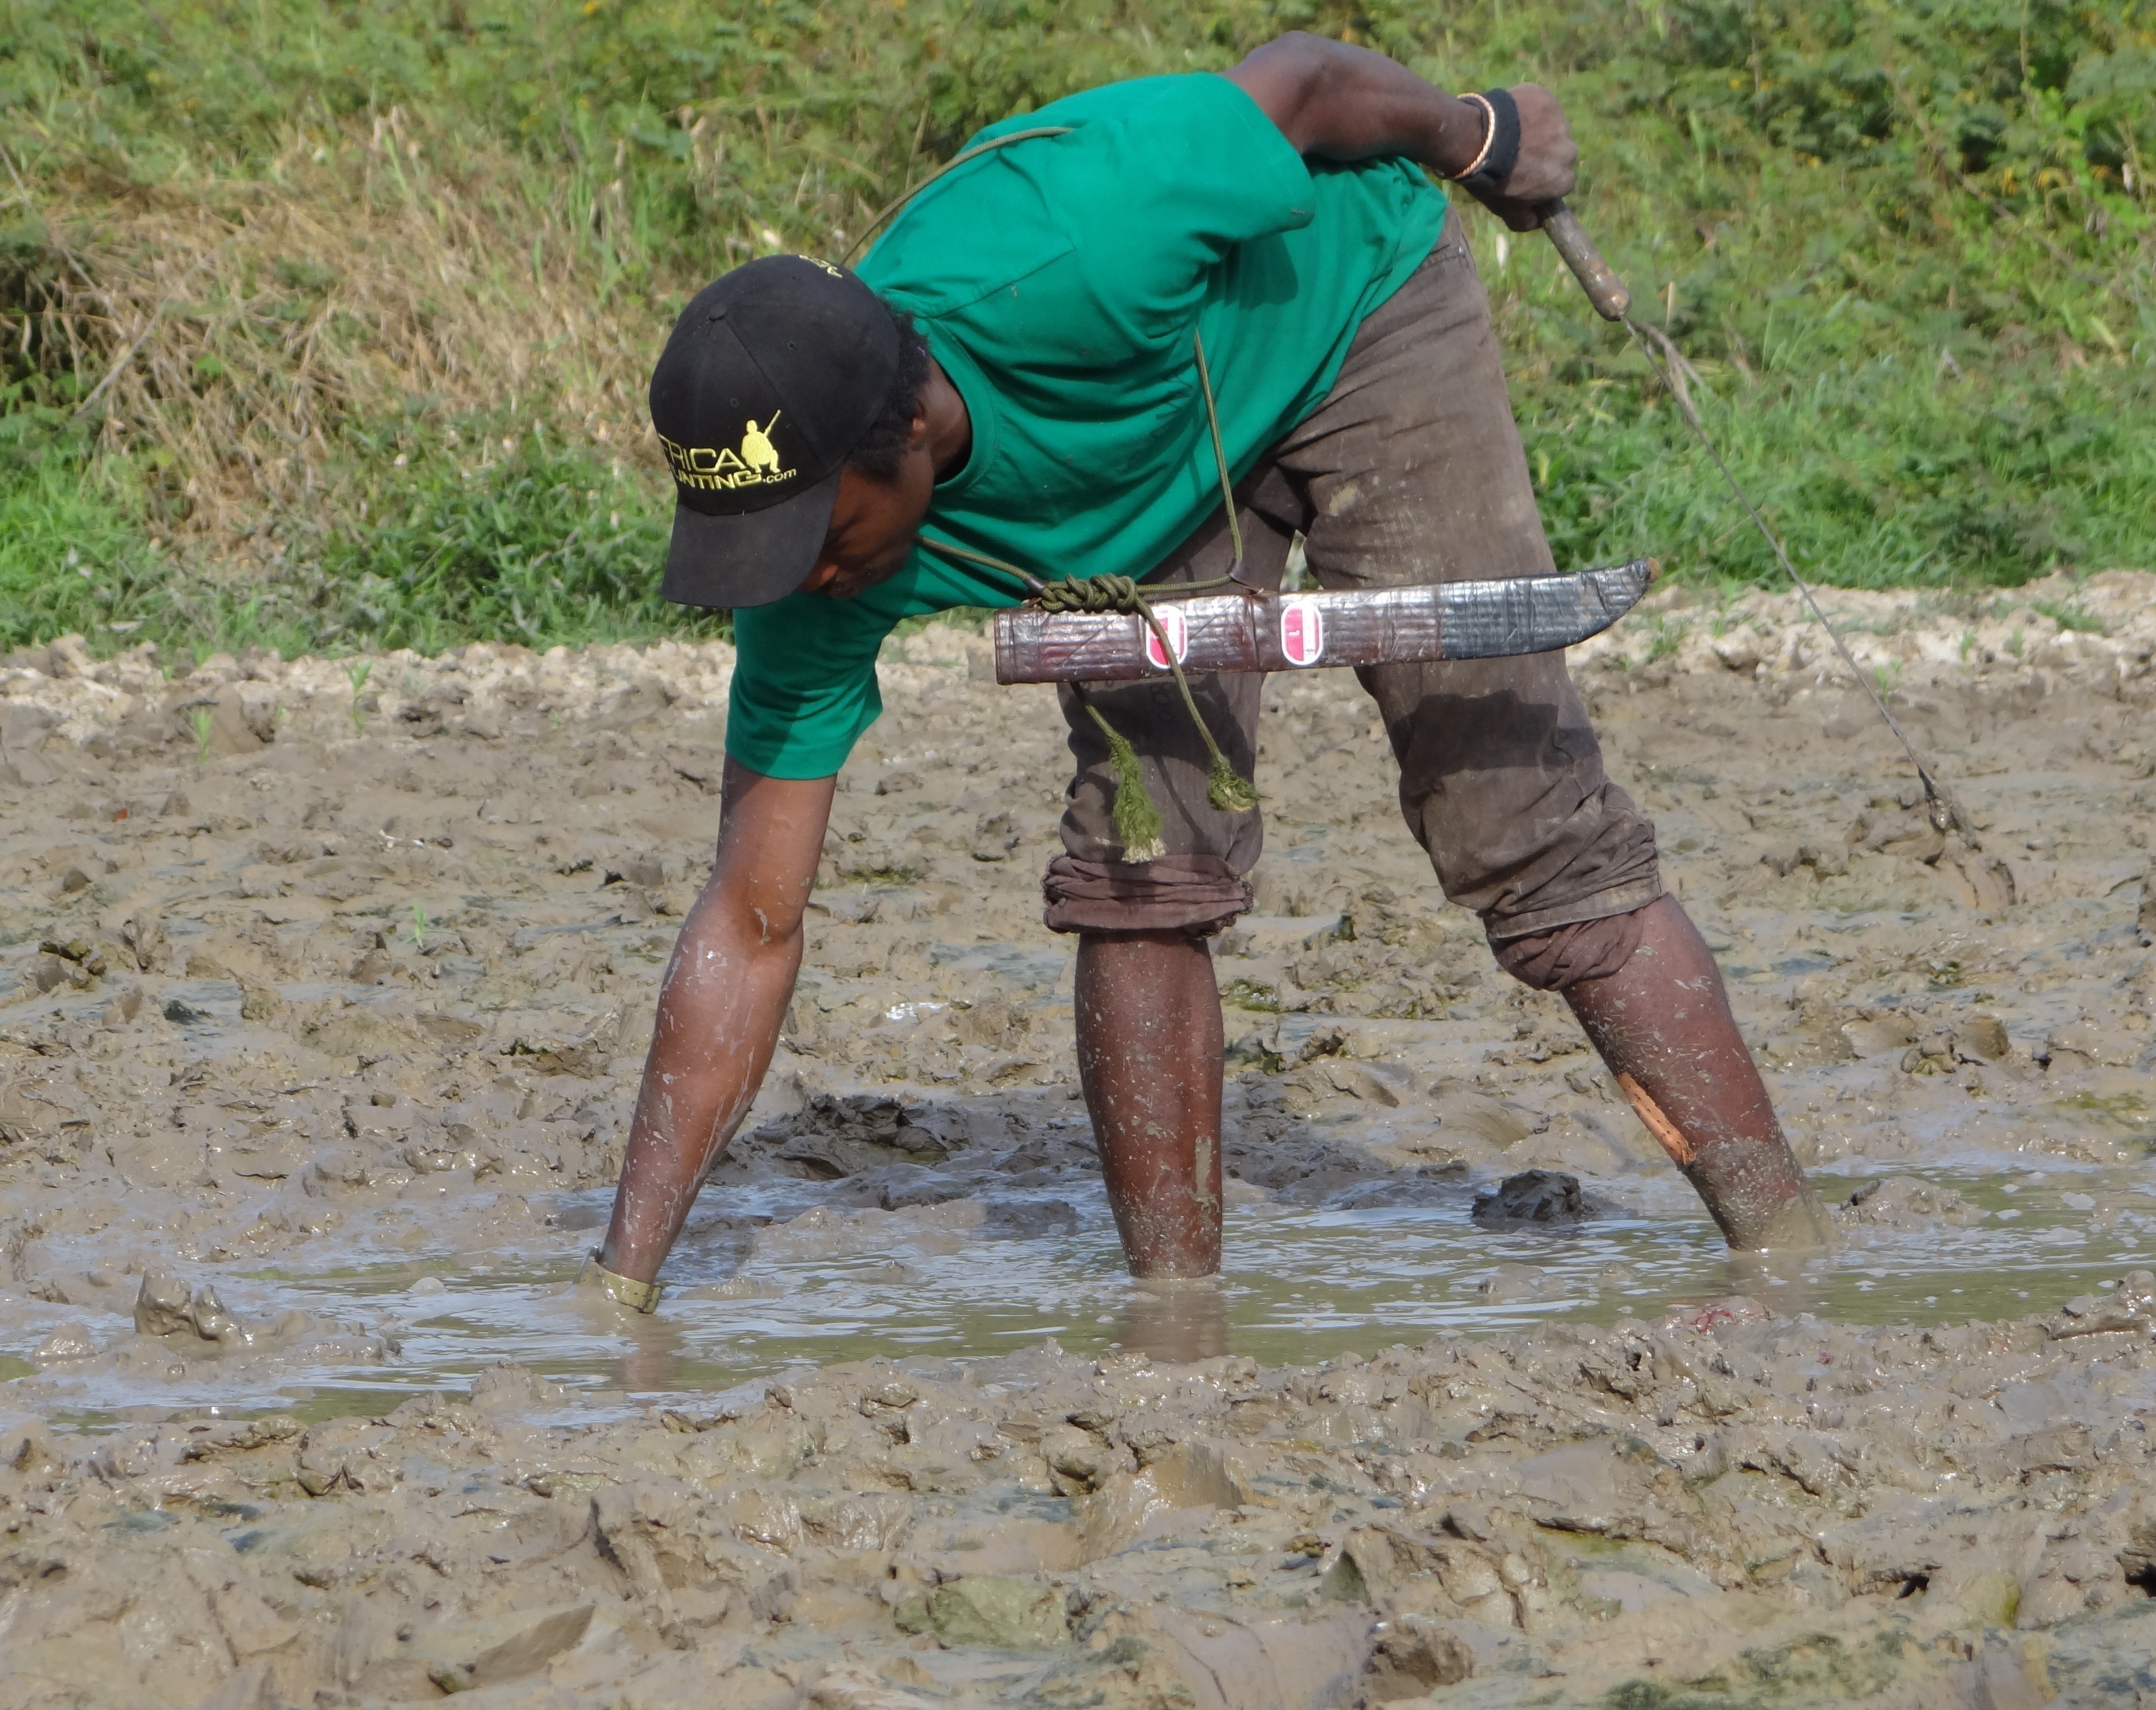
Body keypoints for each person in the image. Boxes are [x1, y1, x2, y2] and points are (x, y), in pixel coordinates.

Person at [578, 32, 1831, 1315]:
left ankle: (1789, 1255)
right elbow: (751, 916)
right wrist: (621, 1284)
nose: (800, 578)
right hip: (1154, 480)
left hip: (1356, 322)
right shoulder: (811, 564)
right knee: (1141, 865)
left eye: (816, 535)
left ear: (903, 430)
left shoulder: (1080, 236)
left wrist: (1477, 138)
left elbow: (1302, 81)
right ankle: (1176, 1327)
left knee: (1526, 826)